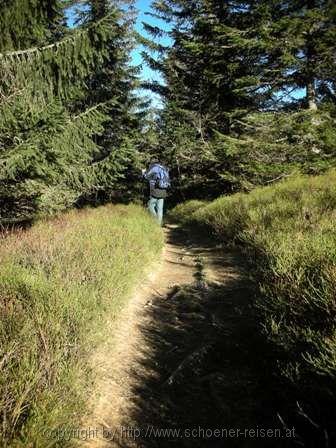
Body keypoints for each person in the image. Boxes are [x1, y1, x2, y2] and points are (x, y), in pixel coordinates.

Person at [142, 158, 170, 226]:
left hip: (155, 190)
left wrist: (143, 172)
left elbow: (147, 177)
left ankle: (155, 220)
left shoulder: (153, 168)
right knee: (160, 209)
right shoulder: (164, 168)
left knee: (150, 205)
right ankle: (159, 224)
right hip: (163, 190)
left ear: (152, 163)